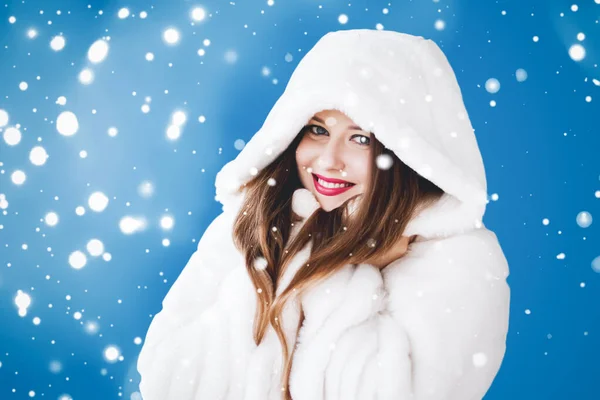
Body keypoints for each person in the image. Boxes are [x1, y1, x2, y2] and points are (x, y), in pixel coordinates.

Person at [136, 29, 511, 400]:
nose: (328, 161)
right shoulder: (249, 226)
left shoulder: (461, 260)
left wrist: (342, 270)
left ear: (408, 153)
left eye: (360, 138)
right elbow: (165, 381)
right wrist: (289, 262)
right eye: (317, 130)